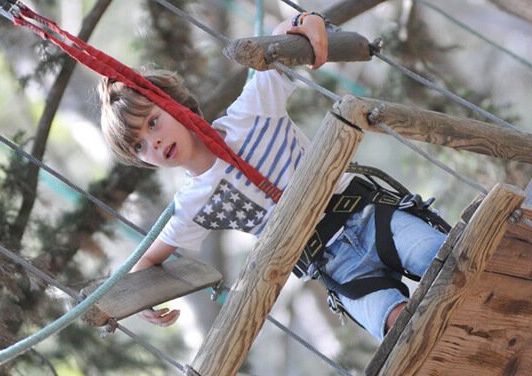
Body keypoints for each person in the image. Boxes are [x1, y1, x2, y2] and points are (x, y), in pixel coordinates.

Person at [98, 12, 446, 342]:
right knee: (397, 325)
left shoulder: (252, 113)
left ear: (174, 104)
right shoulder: (193, 204)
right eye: (140, 146)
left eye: (153, 122)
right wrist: (140, 299)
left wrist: (303, 22)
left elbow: (281, 42)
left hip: (370, 216)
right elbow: (147, 260)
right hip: (336, 267)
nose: (154, 143)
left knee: (442, 258)